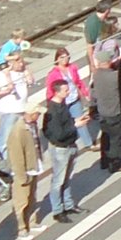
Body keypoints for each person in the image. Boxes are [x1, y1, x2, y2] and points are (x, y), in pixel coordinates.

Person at [43, 80, 88, 223]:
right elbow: (58, 133)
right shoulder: (53, 110)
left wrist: (76, 120)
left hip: (70, 145)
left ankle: (68, 205)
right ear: (57, 92)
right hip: (60, 148)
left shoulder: (62, 105)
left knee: (67, 178)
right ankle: (57, 210)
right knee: (58, 180)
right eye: (65, 90)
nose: (68, 92)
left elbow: (66, 124)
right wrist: (76, 125)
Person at [6, 103, 46, 240]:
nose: (39, 115)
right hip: (24, 172)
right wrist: (21, 176)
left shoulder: (32, 125)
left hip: (33, 167)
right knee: (21, 201)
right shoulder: (18, 131)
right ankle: (22, 229)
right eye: (37, 113)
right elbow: (16, 157)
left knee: (32, 197)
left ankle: (32, 222)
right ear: (30, 114)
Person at [47, 48, 94, 150]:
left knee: (81, 121)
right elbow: (50, 90)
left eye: (66, 57)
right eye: (62, 57)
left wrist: (85, 93)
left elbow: (78, 82)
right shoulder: (53, 74)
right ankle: (69, 142)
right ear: (57, 59)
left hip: (74, 99)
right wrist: (51, 103)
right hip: (63, 102)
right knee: (67, 123)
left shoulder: (72, 68)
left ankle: (88, 144)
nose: (65, 59)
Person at [0, 53, 32, 163]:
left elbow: (31, 81)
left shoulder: (22, 72)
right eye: (17, 61)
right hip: (9, 112)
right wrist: (6, 91)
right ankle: (8, 164)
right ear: (10, 63)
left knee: (22, 137)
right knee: (5, 140)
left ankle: (22, 159)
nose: (21, 63)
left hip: (22, 110)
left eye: (21, 61)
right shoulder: (1, 75)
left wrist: (26, 70)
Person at [94, 45, 121, 174]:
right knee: (116, 139)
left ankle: (104, 160)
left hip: (102, 112)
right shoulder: (114, 77)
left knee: (105, 137)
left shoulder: (97, 75)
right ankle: (115, 164)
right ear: (108, 62)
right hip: (114, 112)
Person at [84, 0, 112, 71]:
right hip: (97, 53)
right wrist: (92, 64)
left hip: (102, 49)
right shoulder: (92, 24)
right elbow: (89, 45)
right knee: (102, 72)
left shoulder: (102, 19)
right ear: (107, 11)